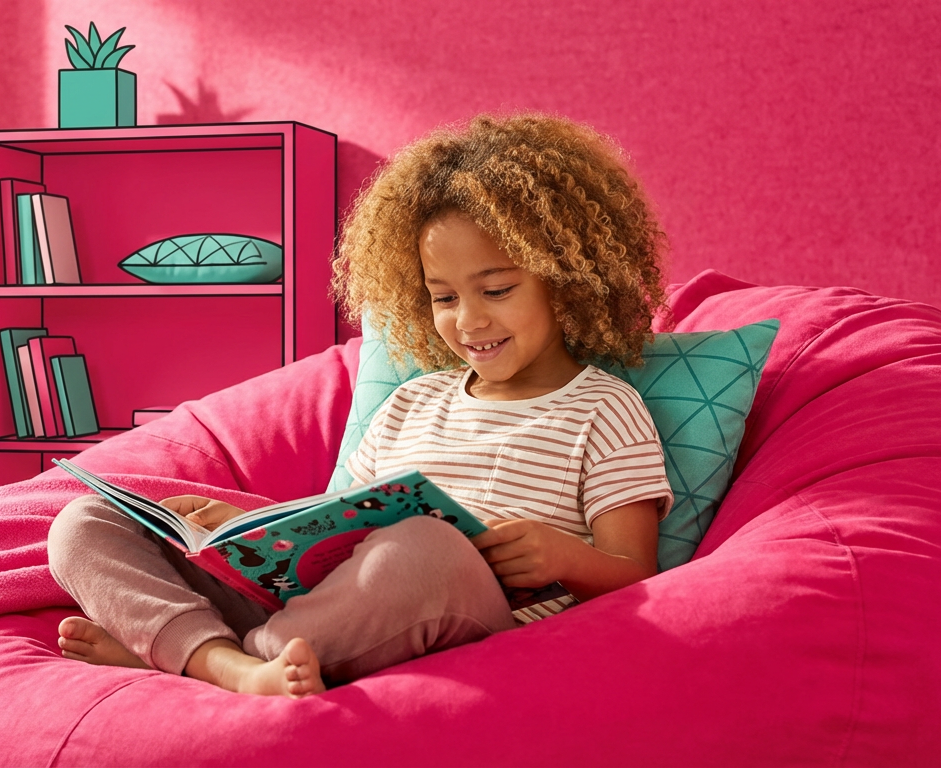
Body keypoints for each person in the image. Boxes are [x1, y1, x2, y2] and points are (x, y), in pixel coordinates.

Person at [47, 113, 674, 698]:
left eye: (497, 289)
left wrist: (563, 555)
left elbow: (639, 572)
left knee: (426, 547)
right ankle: (226, 664)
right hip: (324, 612)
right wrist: (235, 526)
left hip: (461, 613)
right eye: (444, 297)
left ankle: (207, 660)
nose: (470, 319)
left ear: (564, 277)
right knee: (84, 522)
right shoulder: (412, 400)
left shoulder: (604, 408)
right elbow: (340, 528)